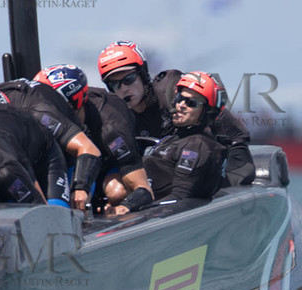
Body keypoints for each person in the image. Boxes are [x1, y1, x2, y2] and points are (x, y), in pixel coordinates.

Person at [96, 40, 255, 185]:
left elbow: (235, 132)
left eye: (129, 79)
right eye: (115, 84)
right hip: (162, 177)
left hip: (205, 166)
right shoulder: (116, 115)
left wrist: (234, 176)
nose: (124, 88)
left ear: (143, 75)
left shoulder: (173, 91)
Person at [33, 63, 152, 211]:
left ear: (71, 105)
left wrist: (125, 207)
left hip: (108, 164)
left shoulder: (111, 126)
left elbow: (143, 189)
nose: (44, 113)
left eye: (50, 107)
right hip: (71, 161)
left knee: (116, 191)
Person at [0, 72, 102, 212]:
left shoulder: (41, 113)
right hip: (21, 153)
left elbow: (89, 149)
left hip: (54, 151)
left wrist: (81, 189)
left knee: (57, 212)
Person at [124, 71, 227, 211]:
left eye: (191, 103)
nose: (181, 105)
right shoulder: (172, 138)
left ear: (206, 111)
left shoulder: (196, 145)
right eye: (179, 98)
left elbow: (180, 197)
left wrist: (129, 208)